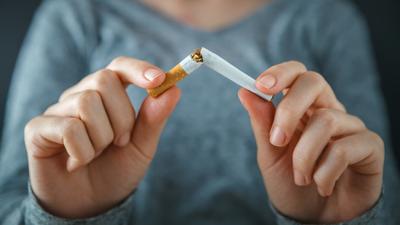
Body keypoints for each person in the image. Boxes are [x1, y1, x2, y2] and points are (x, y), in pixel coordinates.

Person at [0, 0, 399, 224]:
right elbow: (10, 203)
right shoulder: (76, 14)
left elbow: (380, 195)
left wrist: (342, 220)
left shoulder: (323, 17)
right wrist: (65, 214)